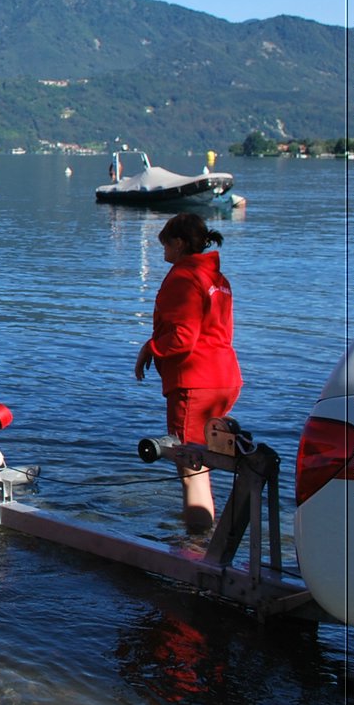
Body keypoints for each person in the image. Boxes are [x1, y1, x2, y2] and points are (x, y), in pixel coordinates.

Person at [134, 212, 242, 532]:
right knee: (204, 460)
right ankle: (212, 534)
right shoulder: (217, 280)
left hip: (196, 382)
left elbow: (183, 337)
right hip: (224, 379)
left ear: (179, 243)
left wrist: (150, 348)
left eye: (165, 244)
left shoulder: (184, 277)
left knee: (189, 464)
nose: (162, 251)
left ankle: (196, 551)